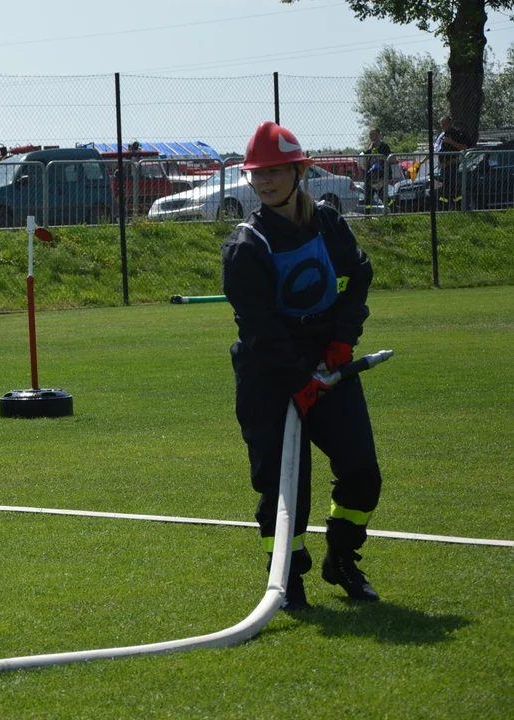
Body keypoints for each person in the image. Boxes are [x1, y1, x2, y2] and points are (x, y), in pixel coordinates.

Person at [221, 121, 384, 612]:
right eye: (257, 174)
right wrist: (297, 380)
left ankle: (342, 557)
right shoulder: (245, 245)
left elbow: (359, 276)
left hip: (328, 364)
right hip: (269, 375)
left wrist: (340, 342)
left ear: (299, 171)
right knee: (283, 485)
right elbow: (260, 330)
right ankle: (287, 580)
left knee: (362, 471)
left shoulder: (330, 223)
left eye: (274, 171)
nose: (264, 182)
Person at [434, 115, 471, 210]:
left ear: (450, 123)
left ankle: (461, 207)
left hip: (452, 165)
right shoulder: (442, 135)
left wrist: (451, 142)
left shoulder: (457, 134)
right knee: (445, 188)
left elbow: (464, 147)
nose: (442, 126)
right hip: (443, 166)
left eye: (444, 124)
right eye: (441, 124)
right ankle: (444, 208)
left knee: (454, 188)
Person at [362, 127, 392, 214]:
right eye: (370, 134)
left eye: (373, 134)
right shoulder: (370, 147)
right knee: (368, 197)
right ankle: (367, 216)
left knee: (383, 196)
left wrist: (378, 157)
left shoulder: (384, 146)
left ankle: (394, 208)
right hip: (370, 176)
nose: (371, 136)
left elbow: (388, 158)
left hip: (380, 175)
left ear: (378, 135)